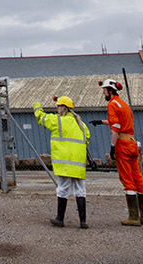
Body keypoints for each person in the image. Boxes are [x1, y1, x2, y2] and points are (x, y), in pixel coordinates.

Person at [33, 95, 90, 228]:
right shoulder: (81, 124)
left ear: (62, 108)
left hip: (64, 163)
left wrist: (37, 106)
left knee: (63, 189)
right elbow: (87, 138)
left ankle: (60, 219)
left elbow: (42, 118)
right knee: (80, 190)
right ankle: (83, 222)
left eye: (58, 106)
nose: (56, 108)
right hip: (78, 164)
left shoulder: (58, 121)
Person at [101, 77, 143, 225]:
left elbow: (116, 128)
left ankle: (133, 217)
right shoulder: (124, 105)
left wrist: (112, 147)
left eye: (104, 91)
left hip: (122, 144)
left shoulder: (112, 105)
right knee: (138, 177)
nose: (103, 94)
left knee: (127, 178)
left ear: (109, 91)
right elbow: (120, 123)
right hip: (132, 143)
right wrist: (101, 122)